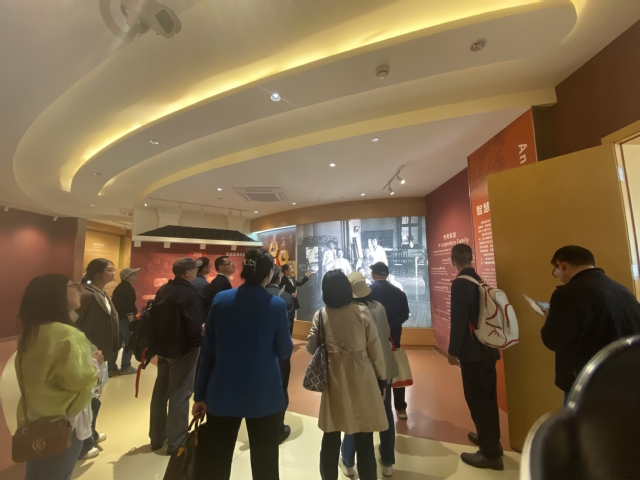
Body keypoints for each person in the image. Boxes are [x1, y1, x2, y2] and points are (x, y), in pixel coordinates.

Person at [193, 249, 293, 480]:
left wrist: (200, 394)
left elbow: (208, 352)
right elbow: (284, 351)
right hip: (264, 394)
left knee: (217, 463)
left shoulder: (221, 300)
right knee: (266, 465)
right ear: (269, 273)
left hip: (222, 392)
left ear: (244, 271)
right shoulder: (276, 305)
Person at [16, 274, 99, 480]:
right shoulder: (68, 334)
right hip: (64, 420)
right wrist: (95, 362)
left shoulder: (31, 331)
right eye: (73, 286)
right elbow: (80, 380)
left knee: (36, 472)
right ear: (56, 295)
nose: (80, 290)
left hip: (36, 417)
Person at [307, 270, 387, 480]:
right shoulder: (361, 311)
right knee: (365, 441)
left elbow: (310, 347)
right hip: (362, 376)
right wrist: (382, 378)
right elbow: (375, 348)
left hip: (335, 379)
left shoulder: (321, 315)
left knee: (330, 439)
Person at [542, 245, 640, 402]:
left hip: (587, 379)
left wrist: (551, 317)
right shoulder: (622, 290)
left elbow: (553, 340)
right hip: (625, 376)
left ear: (562, 265)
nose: (558, 275)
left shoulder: (567, 293)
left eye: (557, 270)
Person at [448, 244, 503, 471]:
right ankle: (490, 439)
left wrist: (453, 350)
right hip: (487, 347)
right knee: (488, 398)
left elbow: (459, 320)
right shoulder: (479, 280)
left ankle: (490, 454)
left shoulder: (460, 283)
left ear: (453, 260)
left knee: (477, 399)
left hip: (473, 352)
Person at [340, 272, 398, 477]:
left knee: (355, 415)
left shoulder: (348, 311)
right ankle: (388, 461)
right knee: (386, 414)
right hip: (384, 370)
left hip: (361, 372)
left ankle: (348, 461)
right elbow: (387, 333)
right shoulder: (379, 307)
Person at [149, 257, 203, 455]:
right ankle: (177, 442)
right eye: (194, 269)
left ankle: (156, 437)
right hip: (182, 350)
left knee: (160, 393)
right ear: (187, 273)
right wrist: (199, 343)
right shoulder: (189, 292)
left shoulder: (164, 289)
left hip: (163, 349)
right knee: (180, 394)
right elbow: (193, 324)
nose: (196, 272)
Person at [75, 258, 119, 458]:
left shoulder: (101, 293)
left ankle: (90, 434)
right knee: (88, 400)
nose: (113, 272)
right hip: (88, 355)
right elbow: (74, 324)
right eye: (109, 270)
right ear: (97, 273)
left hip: (100, 355)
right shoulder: (86, 295)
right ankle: (83, 444)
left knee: (95, 397)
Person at [369, 261, 410, 419]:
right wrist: (390, 326)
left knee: (375, 370)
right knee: (396, 370)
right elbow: (405, 314)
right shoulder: (399, 292)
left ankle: (377, 405)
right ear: (387, 274)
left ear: (373, 274)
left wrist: (380, 326)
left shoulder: (369, 291)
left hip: (373, 337)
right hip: (394, 337)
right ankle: (400, 408)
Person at [265, 265, 295, 444]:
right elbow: (288, 329)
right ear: (278, 278)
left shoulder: (255, 296)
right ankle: (277, 428)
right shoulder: (285, 298)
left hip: (260, 352)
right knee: (280, 387)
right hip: (280, 352)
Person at [109, 267, 140, 376]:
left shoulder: (120, 288)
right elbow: (128, 307)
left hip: (118, 319)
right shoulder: (128, 289)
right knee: (129, 342)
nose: (136, 276)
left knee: (117, 343)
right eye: (134, 274)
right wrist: (132, 323)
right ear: (128, 277)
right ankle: (126, 366)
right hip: (125, 320)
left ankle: (111, 367)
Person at [204, 255, 235, 320]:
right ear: (221, 268)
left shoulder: (219, 281)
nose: (233, 265)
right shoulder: (222, 283)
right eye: (230, 263)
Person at [192, 257, 212, 322]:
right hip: (201, 318)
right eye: (210, 266)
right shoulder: (205, 285)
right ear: (205, 269)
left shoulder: (189, 281)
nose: (211, 268)